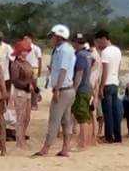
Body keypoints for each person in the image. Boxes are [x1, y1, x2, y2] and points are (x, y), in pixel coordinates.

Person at [34, 25, 76, 157]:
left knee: (54, 119)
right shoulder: (60, 50)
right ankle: (65, 148)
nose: (51, 39)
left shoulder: (64, 51)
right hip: (66, 89)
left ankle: (46, 148)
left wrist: (57, 89)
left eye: (52, 36)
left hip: (63, 89)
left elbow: (63, 70)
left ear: (58, 37)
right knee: (65, 120)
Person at [95, 29, 122, 144]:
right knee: (115, 111)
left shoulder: (105, 52)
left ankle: (109, 136)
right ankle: (118, 136)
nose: (99, 44)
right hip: (115, 82)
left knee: (107, 112)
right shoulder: (117, 50)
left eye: (99, 41)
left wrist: (101, 87)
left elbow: (105, 70)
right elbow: (118, 67)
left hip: (107, 84)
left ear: (103, 39)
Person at [10, 40, 34, 150]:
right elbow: (15, 80)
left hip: (28, 92)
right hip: (20, 92)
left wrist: (34, 87)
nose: (26, 52)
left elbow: (32, 77)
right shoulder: (16, 64)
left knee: (27, 117)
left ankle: (22, 137)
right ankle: (19, 141)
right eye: (24, 50)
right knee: (20, 117)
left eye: (27, 51)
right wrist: (26, 86)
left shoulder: (27, 63)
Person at [70, 34, 94, 149]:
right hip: (88, 87)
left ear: (75, 42)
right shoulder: (88, 54)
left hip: (81, 89)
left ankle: (82, 143)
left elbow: (79, 74)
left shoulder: (79, 55)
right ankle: (87, 141)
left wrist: (74, 90)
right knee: (87, 115)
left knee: (81, 116)